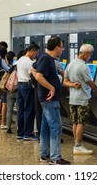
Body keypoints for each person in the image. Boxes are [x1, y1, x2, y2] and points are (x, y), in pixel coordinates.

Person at [63, 44, 97, 155]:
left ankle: (76, 144)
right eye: (90, 54)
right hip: (82, 99)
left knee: (75, 122)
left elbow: (65, 82)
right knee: (81, 122)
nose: (90, 57)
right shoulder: (84, 67)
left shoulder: (70, 64)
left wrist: (73, 85)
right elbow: (91, 84)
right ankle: (78, 146)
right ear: (85, 53)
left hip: (72, 99)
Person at [36, 36, 70, 165]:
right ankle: (55, 157)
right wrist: (52, 88)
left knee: (45, 127)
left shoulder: (43, 57)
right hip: (49, 99)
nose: (62, 49)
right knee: (56, 126)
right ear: (56, 47)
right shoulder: (46, 58)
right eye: (61, 47)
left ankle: (44, 155)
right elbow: (38, 76)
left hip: (45, 98)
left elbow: (34, 70)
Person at [16, 44, 40, 139]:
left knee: (21, 110)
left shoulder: (20, 59)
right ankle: (28, 134)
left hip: (20, 85)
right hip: (27, 85)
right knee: (29, 110)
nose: (36, 55)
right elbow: (33, 75)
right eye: (36, 53)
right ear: (32, 50)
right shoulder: (29, 62)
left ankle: (20, 133)